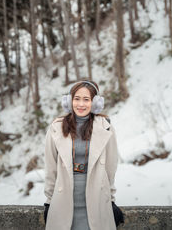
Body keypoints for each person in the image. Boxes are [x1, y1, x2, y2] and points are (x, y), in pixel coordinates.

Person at [43, 80, 124, 230]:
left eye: (86, 99)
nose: (81, 104)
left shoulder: (106, 127)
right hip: (64, 199)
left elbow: (110, 168)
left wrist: (110, 200)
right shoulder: (56, 128)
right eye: (76, 99)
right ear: (69, 101)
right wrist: (49, 202)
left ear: (95, 102)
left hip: (97, 199)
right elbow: (50, 167)